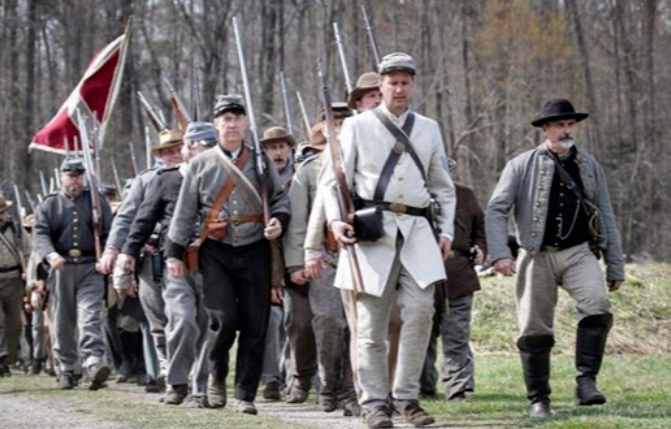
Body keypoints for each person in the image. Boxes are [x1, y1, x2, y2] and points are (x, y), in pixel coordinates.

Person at [322, 53, 457, 428]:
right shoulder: (357, 126)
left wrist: (446, 230)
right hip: (373, 230)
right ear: (380, 86)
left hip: (418, 230)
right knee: (370, 325)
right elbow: (335, 181)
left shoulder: (428, 128)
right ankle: (374, 402)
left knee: (422, 311)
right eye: (392, 82)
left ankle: (407, 397)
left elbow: (442, 186)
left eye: (405, 82)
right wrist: (335, 221)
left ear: (413, 85)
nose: (399, 89)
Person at [486, 99, 625, 418]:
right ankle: (539, 398)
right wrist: (500, 253)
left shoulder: (590, 165)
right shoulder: (520, 165)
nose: (566, 130)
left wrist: (615, 264)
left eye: (570, 124)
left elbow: (605, 213)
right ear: (545, 129)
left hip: (579, 252)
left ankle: (586, 382)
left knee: (597, 305)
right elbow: (496, 209)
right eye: (559, 125)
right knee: (534, 327)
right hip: (536, 255)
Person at [165, 95, 291, 415]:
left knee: (255, 324)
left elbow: (279, 200)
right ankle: (216, 377)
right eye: (226, 119)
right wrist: (174, 253)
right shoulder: (200, 164)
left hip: (256, 248)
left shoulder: (260, 161)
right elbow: (184, 211)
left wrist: (279, 220)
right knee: (223, 319)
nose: (232, 124)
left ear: (245, 123)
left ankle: (245, 393)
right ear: (216, 125)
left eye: (237, 118)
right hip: (216, 251)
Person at [32, 158, 113, 390]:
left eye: (78, 176)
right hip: (62, 267)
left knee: (90, 315)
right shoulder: (50, 204)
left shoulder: (97, 201)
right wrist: (50, 255)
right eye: (70, 175)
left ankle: (93, 362)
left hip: (91, 266)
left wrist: (107, 254)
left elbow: (110, 231)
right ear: (61, 176)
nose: (74, 180)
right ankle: (68, 367)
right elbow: (40, 233)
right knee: (62, 320)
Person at [419, 169, 487, 402]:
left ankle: (458, 387)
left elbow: (481, 230)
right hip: (420, 274)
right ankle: (423, 386)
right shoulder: (413, 194)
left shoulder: (465, 195)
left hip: (458, 273)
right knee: (421, 333)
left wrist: (481, 249)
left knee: (457, 334)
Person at [0, 196, 30, 376]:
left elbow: (27, 252)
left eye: (3, 212)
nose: (3, 216)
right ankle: (1, 356)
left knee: (13, 323)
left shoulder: (16, 229)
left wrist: (28, 274)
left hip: (14, 279)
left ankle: (8, 359)